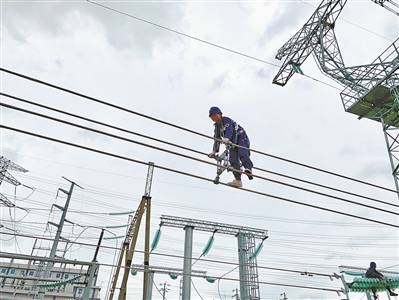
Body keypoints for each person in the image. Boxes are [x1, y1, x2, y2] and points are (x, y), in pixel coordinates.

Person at [208, 106, 253, 188]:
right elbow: (217, 139)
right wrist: (214, 151)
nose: (214, 118)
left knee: (242, 152)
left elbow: (230, 130)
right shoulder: (217, 127)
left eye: (215, 115)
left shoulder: (227, 120)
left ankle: (248, 168)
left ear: (219, 114)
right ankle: (238, 180)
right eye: (212, 117)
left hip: (241, 137)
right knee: (232, 159)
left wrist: (226, 138)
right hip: (232, 142)